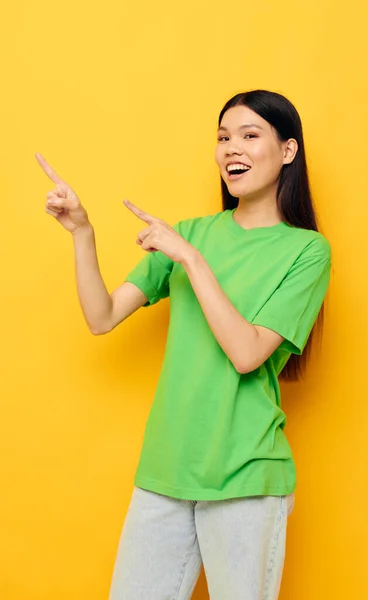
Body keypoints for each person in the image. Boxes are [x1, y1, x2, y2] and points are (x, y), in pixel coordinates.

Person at [36, 89, 332, 600]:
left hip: (246, 479)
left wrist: (191, 260)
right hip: (165, 471)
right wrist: (82, 233)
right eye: (222, 137)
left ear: (288, 151)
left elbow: (247, 354)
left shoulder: (306, 250)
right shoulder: (190, 234)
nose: (230, 148)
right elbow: (101, 317)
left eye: (249, 135)